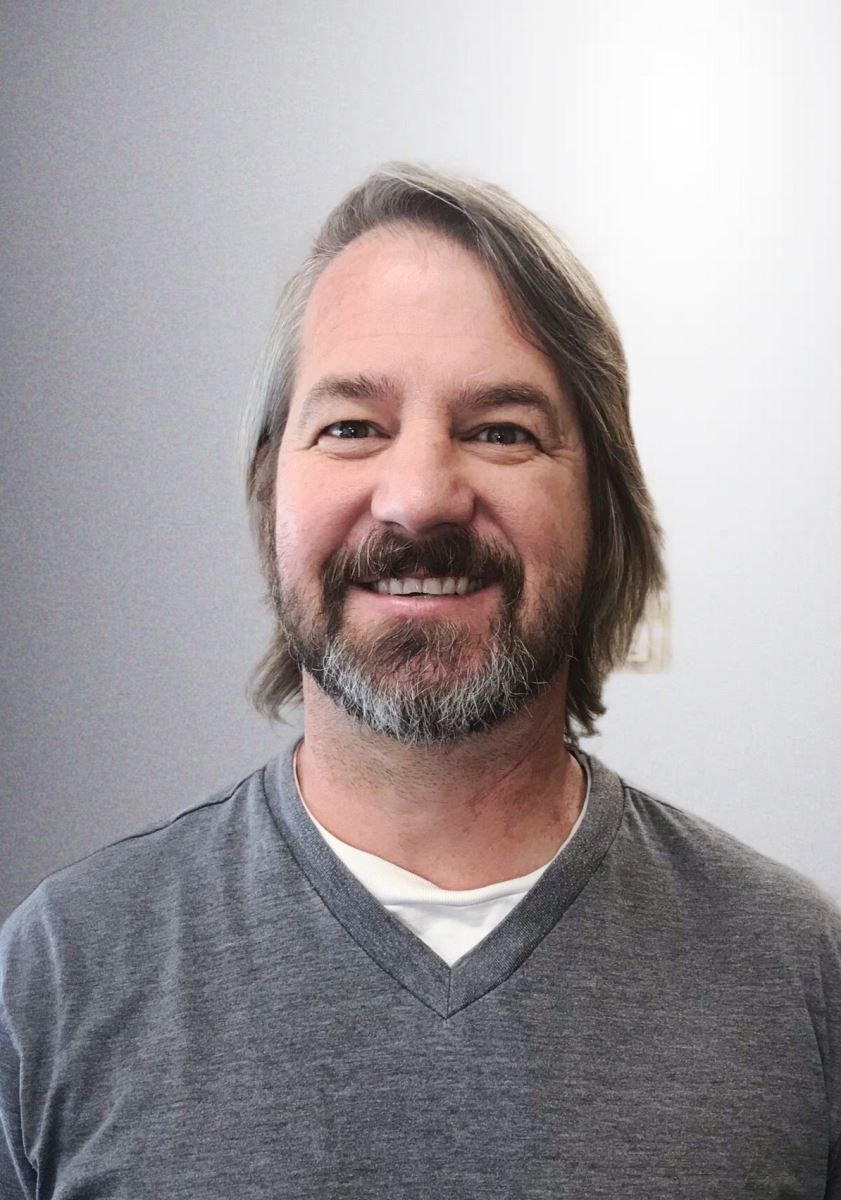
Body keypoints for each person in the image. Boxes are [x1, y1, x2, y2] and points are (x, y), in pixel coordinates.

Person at [1, 165, 839, 1199]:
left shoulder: (797, 974)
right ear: (271, 493)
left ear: (600, 506)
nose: (419, 498)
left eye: (501, 431)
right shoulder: (61, 974)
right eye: (352, 426)